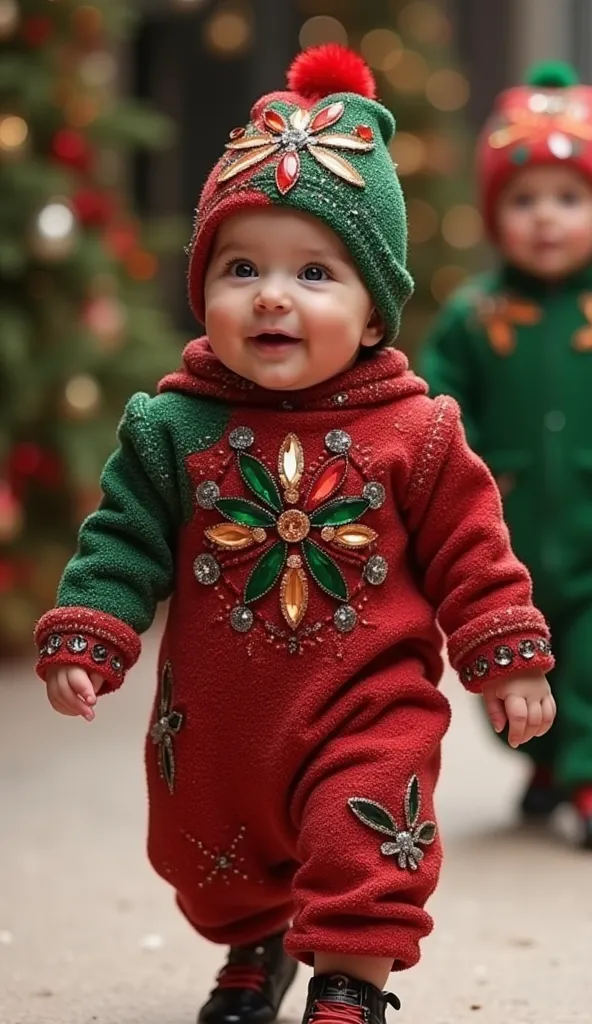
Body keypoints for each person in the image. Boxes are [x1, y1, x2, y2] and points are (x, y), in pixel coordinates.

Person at [35, 45, 555, 1024]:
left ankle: (350, 983)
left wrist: (504, 655)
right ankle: (253, 941)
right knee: (213, 845)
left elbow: (472, 550)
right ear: (203, 290)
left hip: (368, 701)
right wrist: (93, 628)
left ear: (371, 313)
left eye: (314, 270)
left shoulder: (417, 429)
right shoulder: (171, 426)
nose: (271, 295)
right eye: (241, 267)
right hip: (222, 712)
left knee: (364, 832)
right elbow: (121, 536)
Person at [420, 61, 592, 848]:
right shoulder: (473, 314)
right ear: (494, 214)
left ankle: (585, 775)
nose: (546, 219)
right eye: (524, 201)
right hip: (509, 534)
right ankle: (551, 762)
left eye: (569, 198)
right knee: (516, 669)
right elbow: (436, 408)